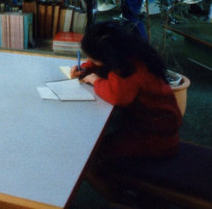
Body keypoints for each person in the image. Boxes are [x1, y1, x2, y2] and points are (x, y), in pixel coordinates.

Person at [70, 22, 181, 159]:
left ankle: (110, 178)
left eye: (92, 58)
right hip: (152, 126)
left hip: (156, 139)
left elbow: (116, 96)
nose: (89, 60)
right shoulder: (126, 52)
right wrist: (87, 67)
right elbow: (101, 61)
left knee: (92, 153)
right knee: (101, 142)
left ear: (108, 57)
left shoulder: (129, 70)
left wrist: (95, 80)